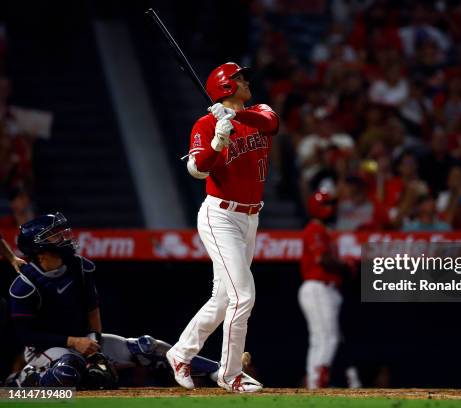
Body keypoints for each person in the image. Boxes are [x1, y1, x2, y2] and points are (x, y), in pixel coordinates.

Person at [6, 213, 221, 388]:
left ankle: (216, 370)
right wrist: (74, 342)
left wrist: (94, 341)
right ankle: (24, 381)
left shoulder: (79, 267)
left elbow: (92, 309)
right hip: (47, 348)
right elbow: (28, 336)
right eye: (53, 235)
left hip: (84, 340)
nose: (63, 237)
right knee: (68, 370)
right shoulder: (24, 287)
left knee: (146, 347)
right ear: (39, 249)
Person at [167, 62, 279, 393]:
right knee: (243, 296)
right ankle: (230, 375)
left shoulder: (258, 111)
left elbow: (271, 122)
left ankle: (180, 352)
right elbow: (197, 170)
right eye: (238, 78)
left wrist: (234, 118)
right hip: (221, 216)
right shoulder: (205, 123)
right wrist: (218, 141)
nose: (245, 81)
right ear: (225, 87)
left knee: (223, 298)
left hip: (250, 217)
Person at [299, 189, 349, 389]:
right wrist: (345, 266)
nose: (332, 208)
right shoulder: (315, 229)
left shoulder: (325, 231)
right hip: (317, 287)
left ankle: (314, 382)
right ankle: (319, 377)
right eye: (327, 204)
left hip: (325, 289)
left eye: (332, 204)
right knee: (328, 337)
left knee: (320, 338)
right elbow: (324, 261)